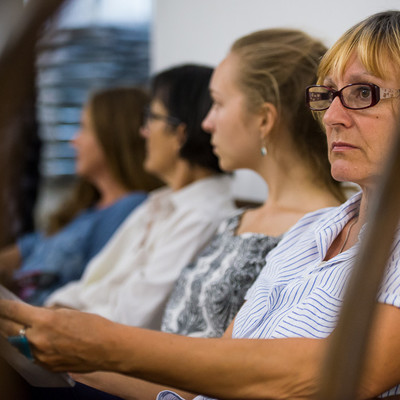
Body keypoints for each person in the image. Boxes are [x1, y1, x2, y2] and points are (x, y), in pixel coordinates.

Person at [2, 10, 400, 399]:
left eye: (362, 92)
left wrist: (106, 344)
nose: (331, 116)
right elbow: (215, 371)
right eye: (327, 95)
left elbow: (337, 373)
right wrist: (61, 351)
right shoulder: (308, 231)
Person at [62, 28, 347, 400]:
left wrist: (91, 362)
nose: (206, 122)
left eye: (218, 104)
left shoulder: (319, 236)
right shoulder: (237, 221)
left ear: (264, 119)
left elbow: (233, 376)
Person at [43, 64, 237, 330]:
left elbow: (133, 319)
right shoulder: (157, 204)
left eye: (151, 118)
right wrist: (52, 310)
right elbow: (94, 283)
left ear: (179, 134)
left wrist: (55, 318)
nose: (143, 131)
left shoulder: (204, 216)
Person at [0, 87, 161, 306]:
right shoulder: (84, 209)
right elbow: (24, 249)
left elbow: (96, 287)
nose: (74, 141)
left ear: (112, 136)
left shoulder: (131, 208)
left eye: (84, 129)